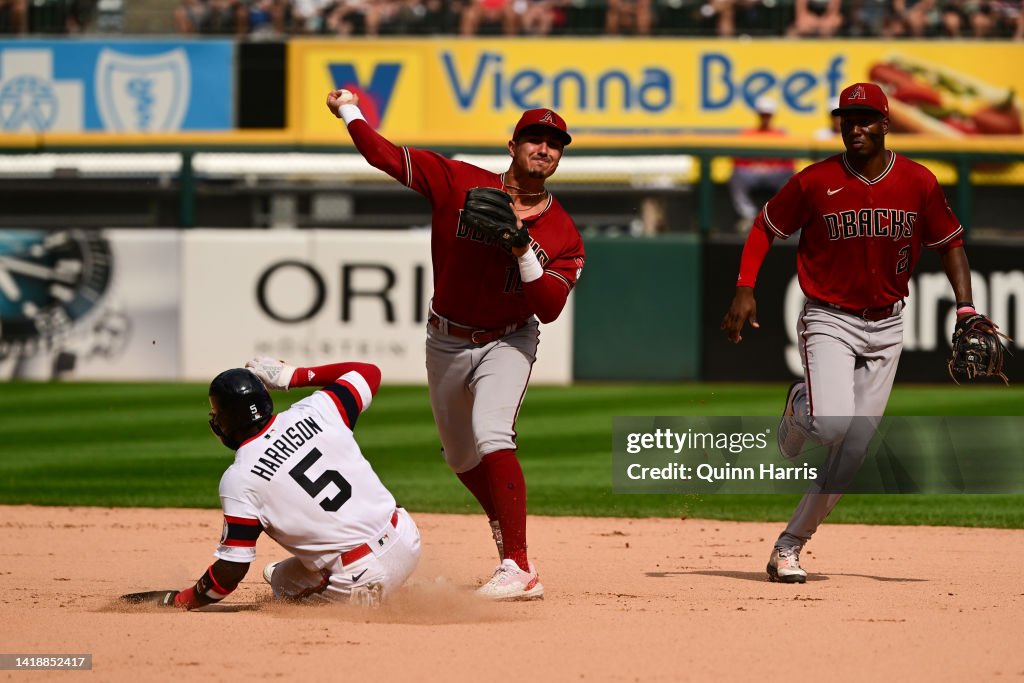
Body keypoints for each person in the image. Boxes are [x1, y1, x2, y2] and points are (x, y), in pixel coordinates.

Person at [326, 88, 585, 601]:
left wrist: (520, 247)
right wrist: (350, 109)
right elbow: (385, 155)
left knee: (492, 436)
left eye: (554, 144)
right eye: (535, 138)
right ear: (513, 145)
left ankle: (520, 566)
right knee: (460, 455)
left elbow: (549, 306)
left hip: (508, 338)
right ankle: (502, 528)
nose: (544, 149)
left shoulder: (563, 233)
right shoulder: (458, 180)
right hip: (445, 336)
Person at [720, 82, 980, 583]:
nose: (855, 127)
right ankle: (801, 405)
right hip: (829, 316)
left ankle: (790, 545)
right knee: (833, 425)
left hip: (888, 323)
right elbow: (765, 227)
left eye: (865, 119)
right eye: (847, 119)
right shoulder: (815, 180)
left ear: (886, 124)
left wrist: (965, 307)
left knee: (856, 448)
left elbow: (951, 243)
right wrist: (745, 287)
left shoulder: (917, 181)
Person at [121, 358, 421, 608]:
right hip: (406, 538)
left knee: (282, 587)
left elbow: (230, 572)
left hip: (363, 578)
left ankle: (382, 593)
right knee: (283, 572)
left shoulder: (240, 478)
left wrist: (181, 599)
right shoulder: (317, 409)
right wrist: (294, 375)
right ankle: (394, 581)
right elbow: (369, 372)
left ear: (225, 423)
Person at [728, 96, 796, 233]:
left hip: (775, 174)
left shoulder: (780, 134)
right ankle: (749, 215)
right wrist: (753, 166)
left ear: (772, 116)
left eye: (768, 115)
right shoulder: (748, 134)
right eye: (763, 114)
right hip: (752, 173)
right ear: (758, 115)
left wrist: (773, 167)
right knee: (736, 176)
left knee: (791, 177)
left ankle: (781, 217)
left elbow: (790, 162)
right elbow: (736, 159)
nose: (765, 117)